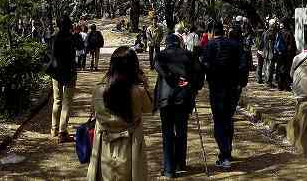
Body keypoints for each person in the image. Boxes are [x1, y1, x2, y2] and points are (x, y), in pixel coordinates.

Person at [87, 47, 153, 180]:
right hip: (131, 146)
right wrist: (145, 84)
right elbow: (148, 108)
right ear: (134, 67)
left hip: (104, 147)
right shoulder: (138, 91)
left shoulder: (98, 91)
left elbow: (93, 111)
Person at [154, 33, 204, 178]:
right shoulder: (189, 55)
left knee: (167, 133)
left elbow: (157, 66)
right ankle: (181, 163)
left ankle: (169, 169)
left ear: (167, 43)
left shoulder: (161, 55)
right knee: (181, 131)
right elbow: (200, 73)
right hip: (183, 97)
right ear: (179, 43)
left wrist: (170, 77)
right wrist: (194, 86)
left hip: (165, 99)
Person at [201, 23, 247, 168]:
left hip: (217, 89)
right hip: (232, 88)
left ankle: (225, 154)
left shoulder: (209, 46)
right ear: (224, 31)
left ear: (212, 32)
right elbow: (243, 65)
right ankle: (227, 151)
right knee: (228, 118)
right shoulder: (235, 45)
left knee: (219, 120)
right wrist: (241, 83)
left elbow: (204, 66)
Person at [46, 16, 77, 142]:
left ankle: (54, 129)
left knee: (57, 100)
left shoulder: (53, 38)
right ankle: (62, 132)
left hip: (56, 72)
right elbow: (78, 49)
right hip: (69, 72)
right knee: (66, 102)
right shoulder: (70, 38)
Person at [277, 23, 297, 90]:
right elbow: (291, 45)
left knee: (281, 69)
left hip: (280, 54)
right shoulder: (289, 33)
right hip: (287, 54)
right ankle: (286, 86)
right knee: (287, 70)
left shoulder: (279, 32)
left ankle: (280, 86)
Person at [265, 21, 281, 88]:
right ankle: (269, 82)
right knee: (270, 68)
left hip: (267, 53)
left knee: (268, 68)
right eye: (274, 25)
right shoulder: (272, 33)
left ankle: (268, 81)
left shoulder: (267, 32)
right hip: (271, 53)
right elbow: (273, 44)